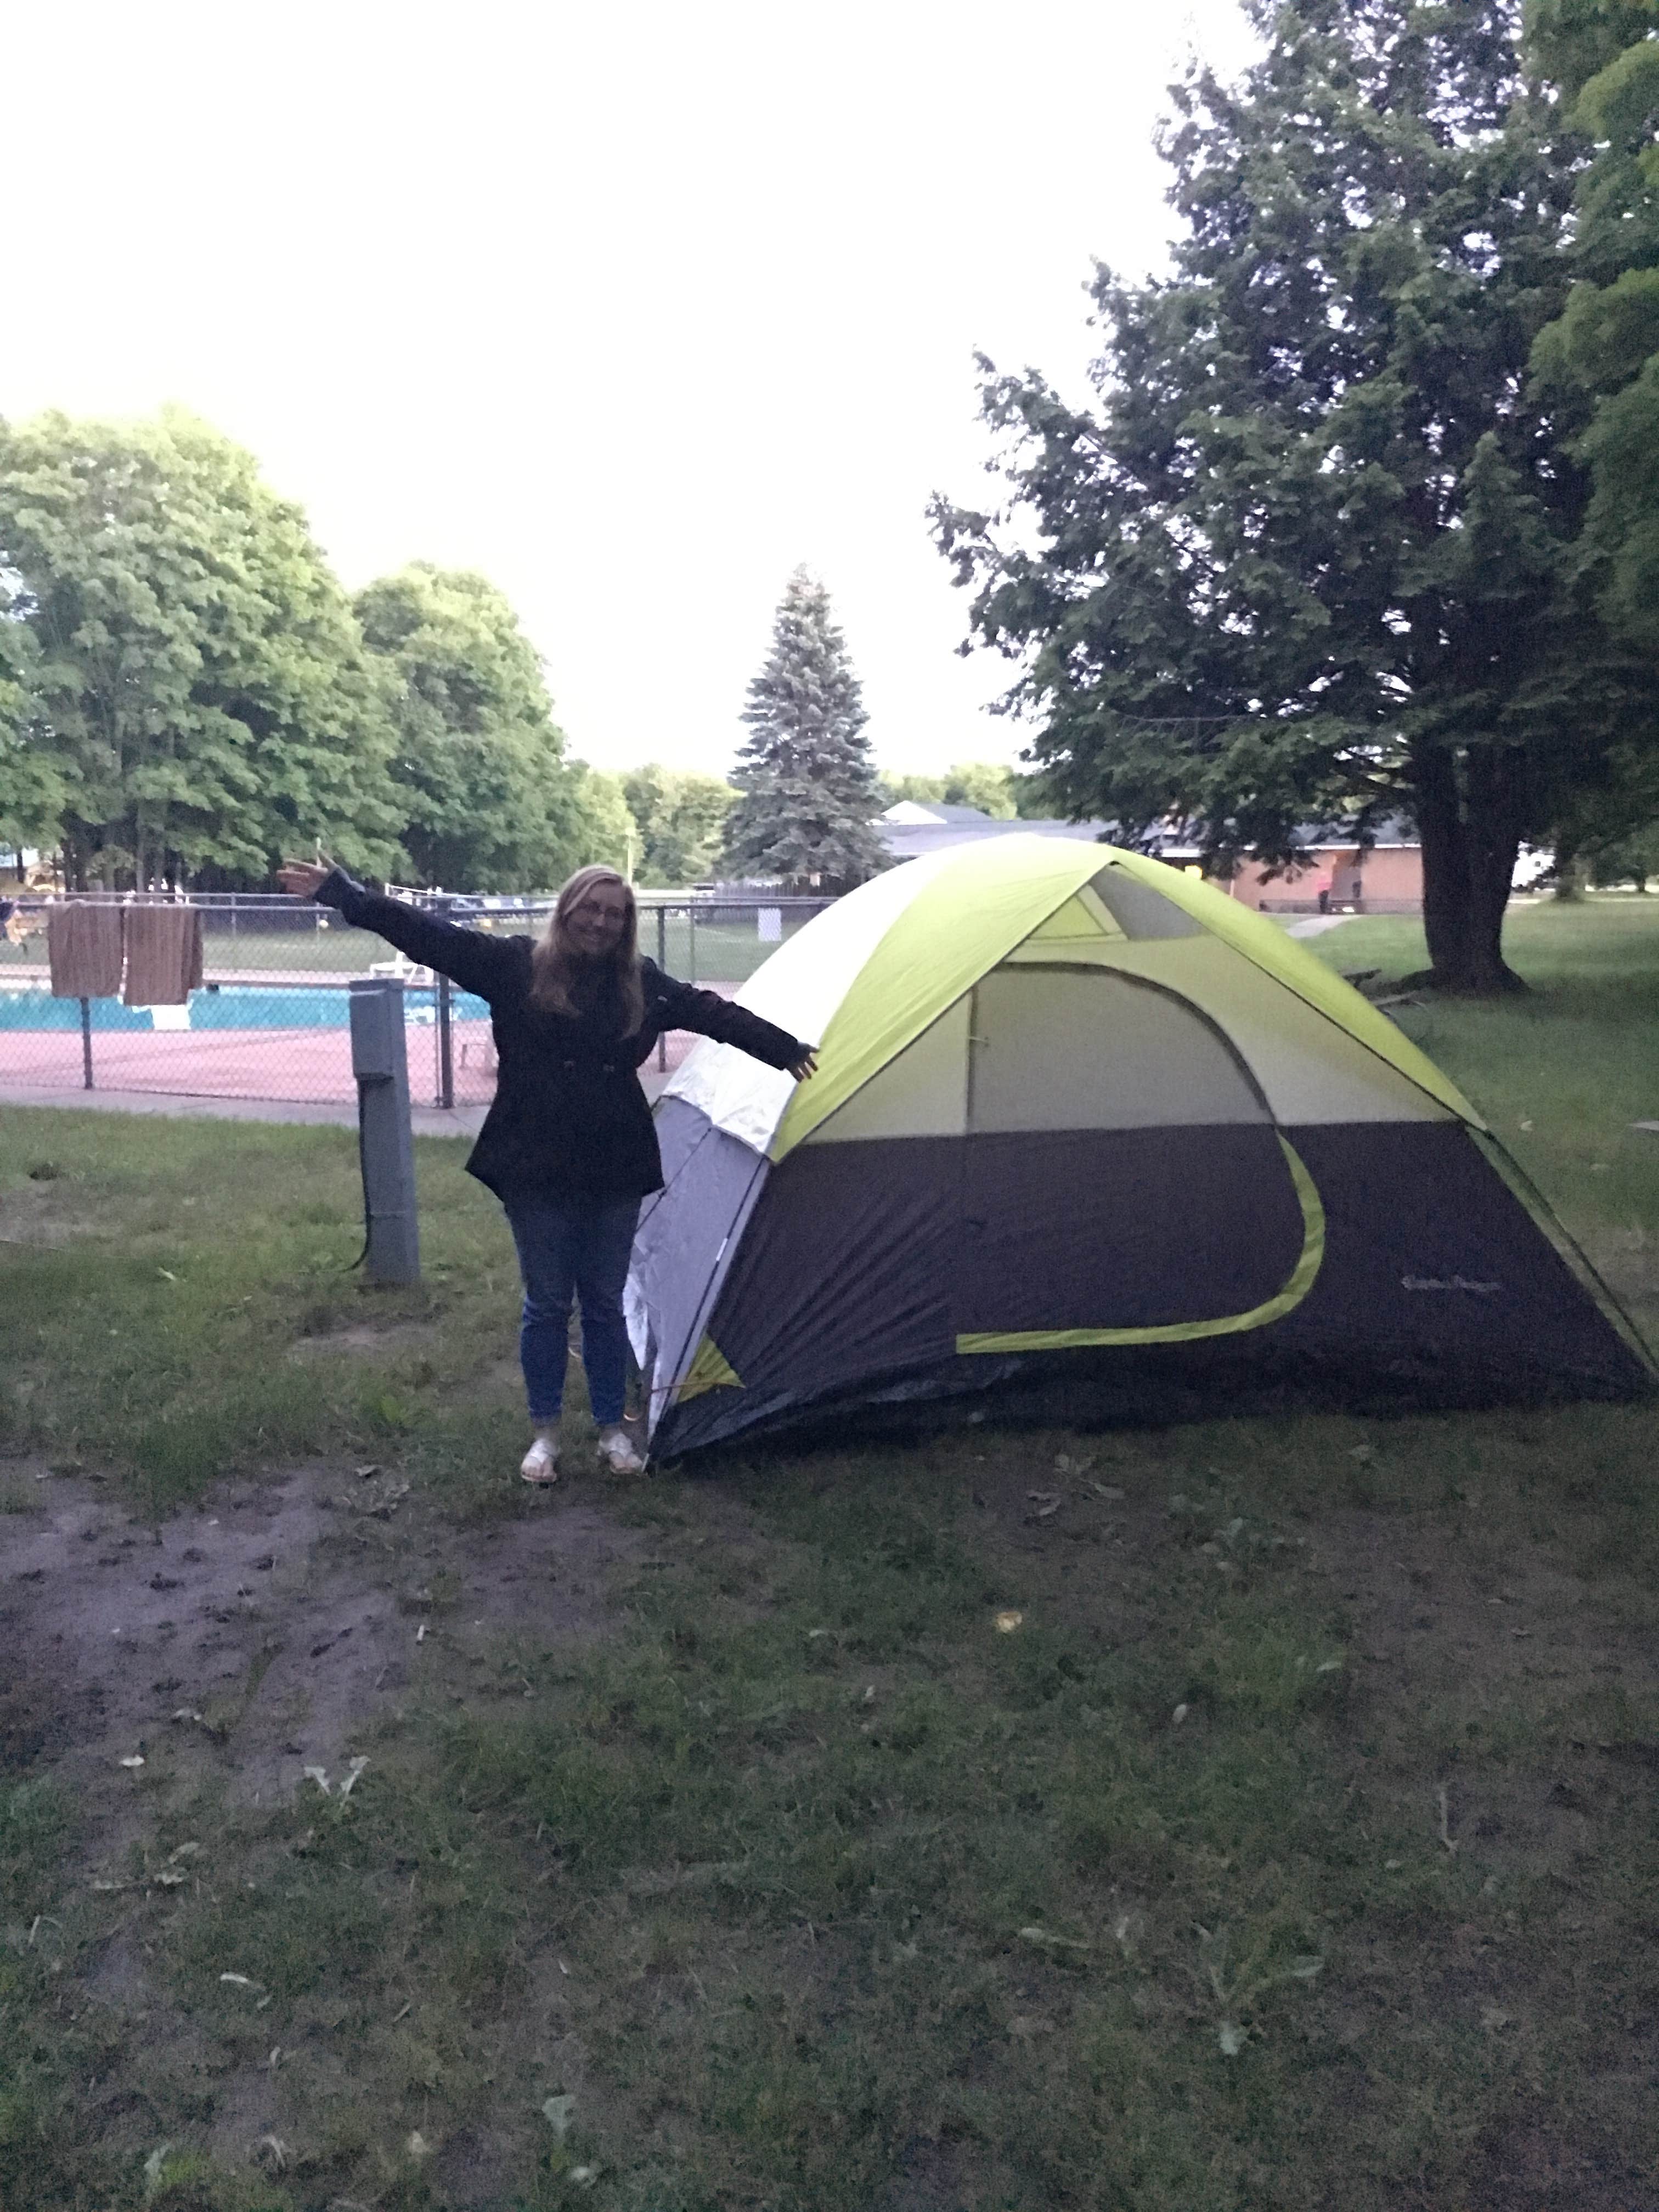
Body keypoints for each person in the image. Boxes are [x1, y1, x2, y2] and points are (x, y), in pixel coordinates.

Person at [277, 859, 816, 1482]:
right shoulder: (515, 966)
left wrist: (786, 1050)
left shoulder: (642, 983)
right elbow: (427, 935)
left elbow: (713, 1014)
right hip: (534, 1158)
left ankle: (614, 1431)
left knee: (606, 1304)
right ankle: (545, 1436)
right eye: (591, 907)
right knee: (547, 1302)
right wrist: (345, 896)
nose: (601, 921)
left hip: (614, 1160)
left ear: (626, 925)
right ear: (568, 909)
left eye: (615, 914)